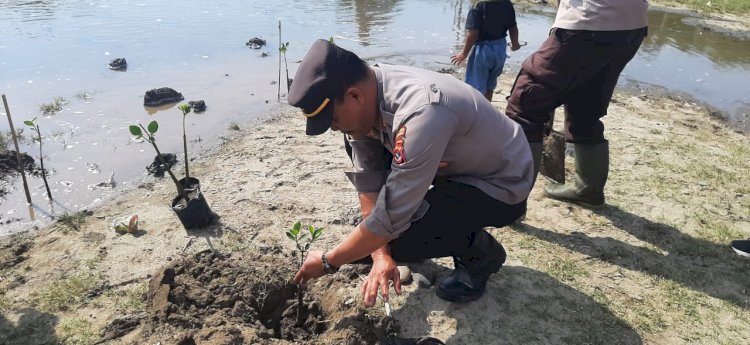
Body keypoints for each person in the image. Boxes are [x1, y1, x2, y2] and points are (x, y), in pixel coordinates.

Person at [288, 39, 533, 305]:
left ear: (354, 95)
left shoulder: (421, 111)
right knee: (377, 240)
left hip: (501, 181)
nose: (334, 128)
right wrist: (380, 255)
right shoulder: (368, 99)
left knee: (399, 237)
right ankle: (424, 230)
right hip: (455, 167)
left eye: (333, 120)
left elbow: (389, 220)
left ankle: (481, 254)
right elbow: (370, 183)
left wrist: (328, 261)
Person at [505, 0, 648, 206]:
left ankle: (509, 202)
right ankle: (588, 188)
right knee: (586, 102)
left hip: (590, 21)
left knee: (526, 105)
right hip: (631, 23)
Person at [451, 0, 521, 102]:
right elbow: (513, 27)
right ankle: (487, 110)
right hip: (500, 49)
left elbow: (473, 33)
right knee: (490, 84)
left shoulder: (478, 5)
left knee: (475, 87)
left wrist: (464, 53)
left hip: (483, 50)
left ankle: (476, 114)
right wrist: (515, 44)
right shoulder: (506, 3)